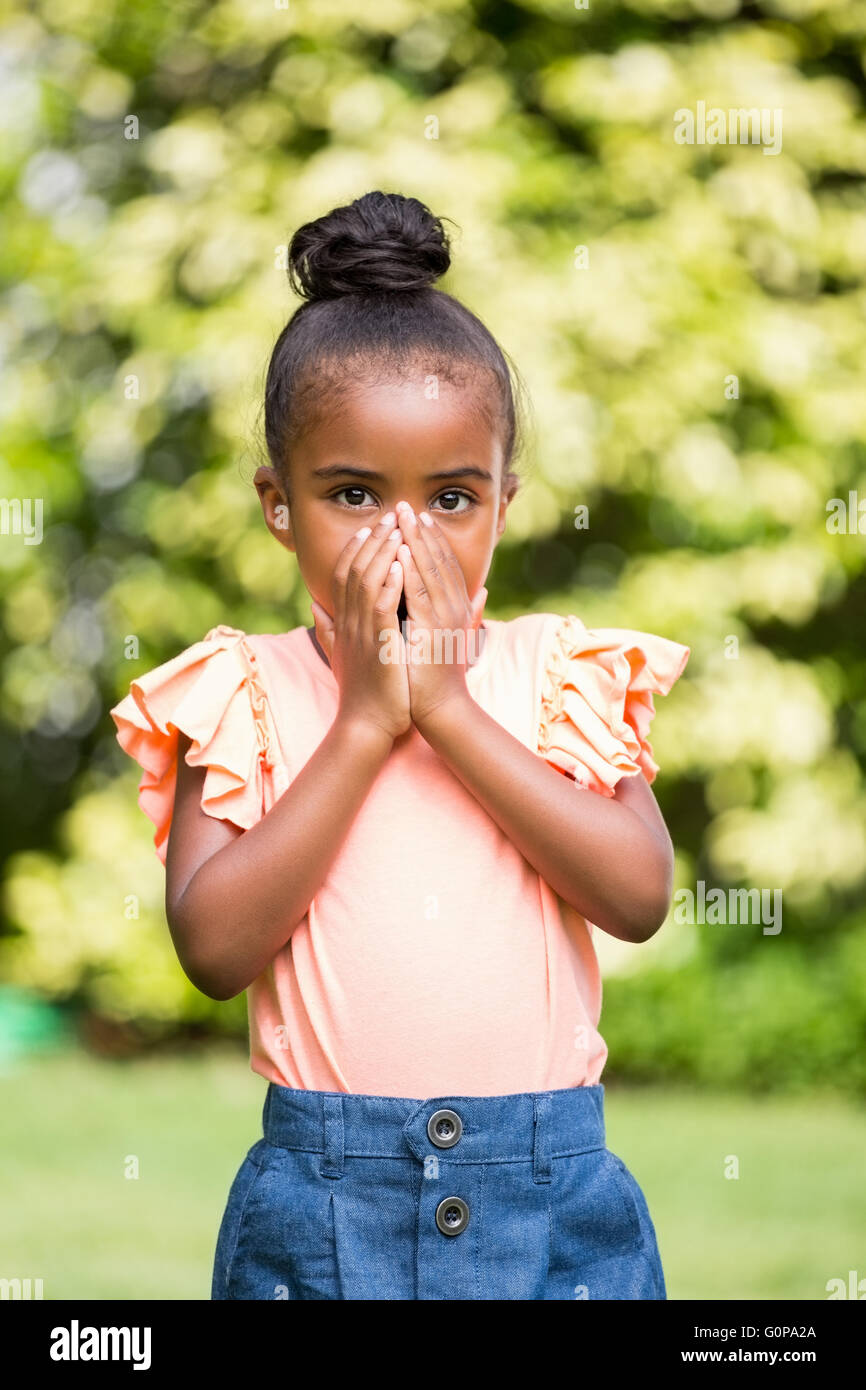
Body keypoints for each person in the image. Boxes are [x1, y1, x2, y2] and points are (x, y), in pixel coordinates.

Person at [110, 190, 689, 1301]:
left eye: (451, 497)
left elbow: (635, 893)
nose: (404, 539)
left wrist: (451, 712)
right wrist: (370, 720)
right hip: (326, 1205)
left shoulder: (553, 675)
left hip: (549, 1192)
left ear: (504, 506)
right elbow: (212, 946)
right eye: (354, 494)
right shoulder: (240, 692)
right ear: (279, 506)